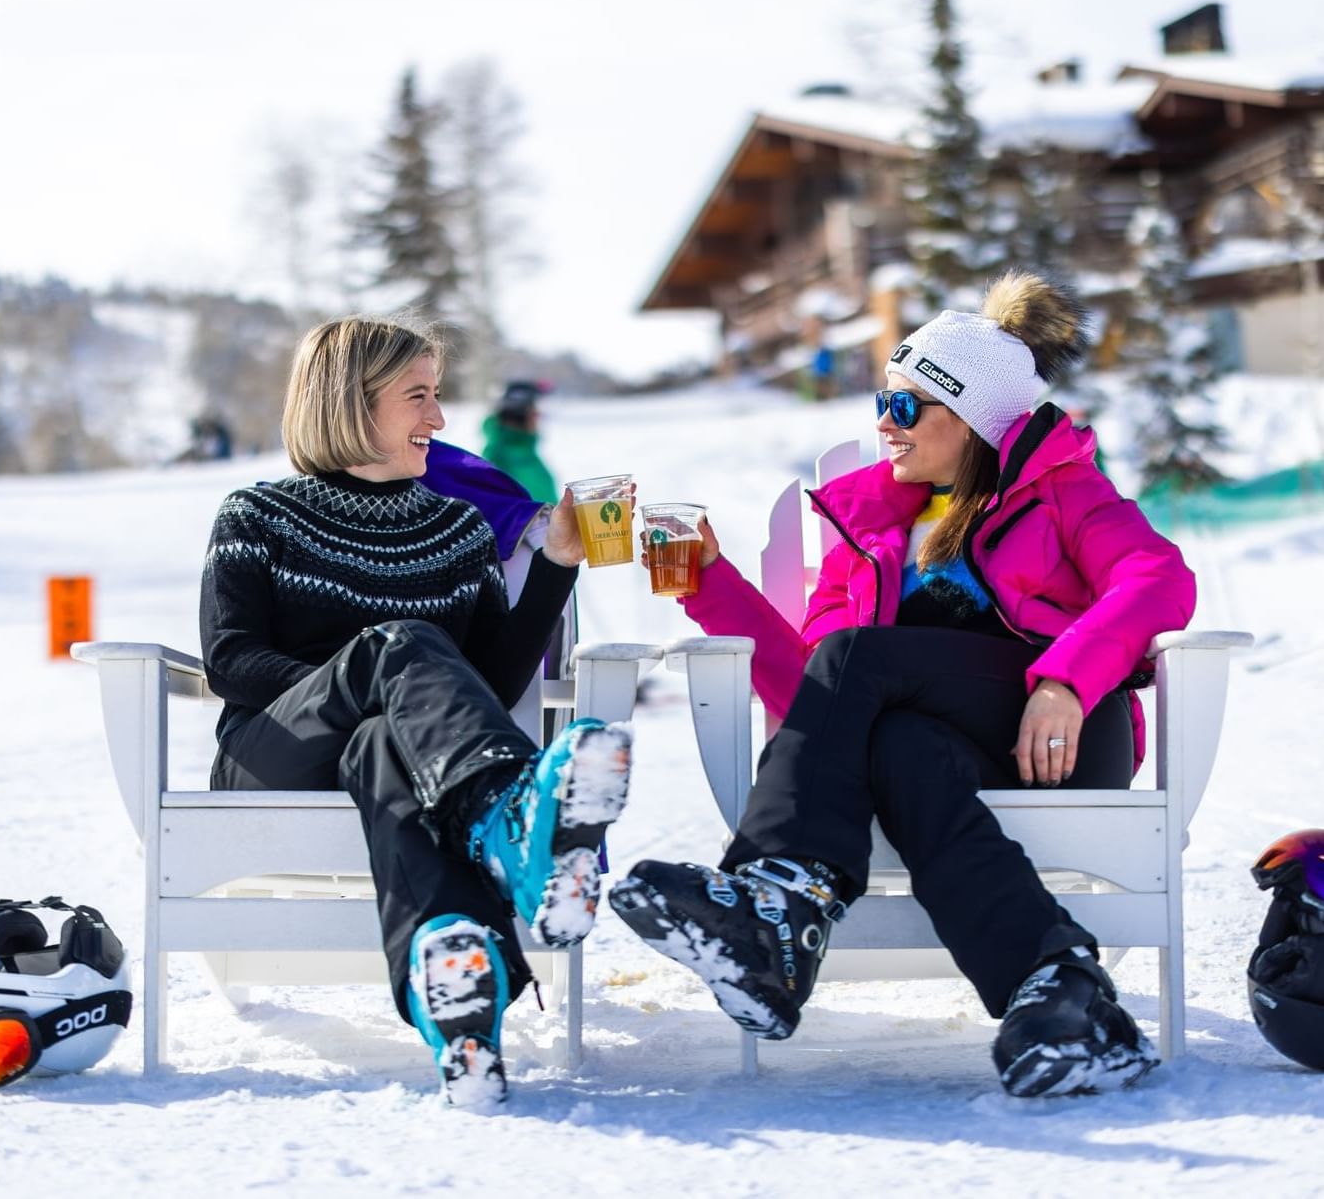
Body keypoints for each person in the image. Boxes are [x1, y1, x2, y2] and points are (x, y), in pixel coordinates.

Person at [609, 271, 1196, 1098]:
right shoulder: (871, 532)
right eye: (881, 403)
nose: (884, 424)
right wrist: (710, 582)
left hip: (1061, 733)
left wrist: (1065, 680)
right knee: (897, 742)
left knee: (862, 659)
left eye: (905, 406)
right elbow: (815, 695)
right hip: (947, 744)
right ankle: (1061, 993)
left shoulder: (1063, 492)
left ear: (973, 418)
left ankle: (782, 902)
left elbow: (1158, 579)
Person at [200, 316, 633, 1108]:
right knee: (400, 649)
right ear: (349, 400)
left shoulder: (458, 529)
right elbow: (232, 661)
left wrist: (557, 565)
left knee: (384, 742)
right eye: (418, 396)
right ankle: (509, 818)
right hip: (274, 752)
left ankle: (458, 1003)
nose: (438, 417)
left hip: (393, 762)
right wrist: (367, 675)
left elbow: (491, 681)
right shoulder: (257, 515)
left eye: (436, 395)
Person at [481, 379, 558, 503]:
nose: (538, 415)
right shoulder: (524, 465)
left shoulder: (494, 456)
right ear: (525, 416)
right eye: (534, 409)